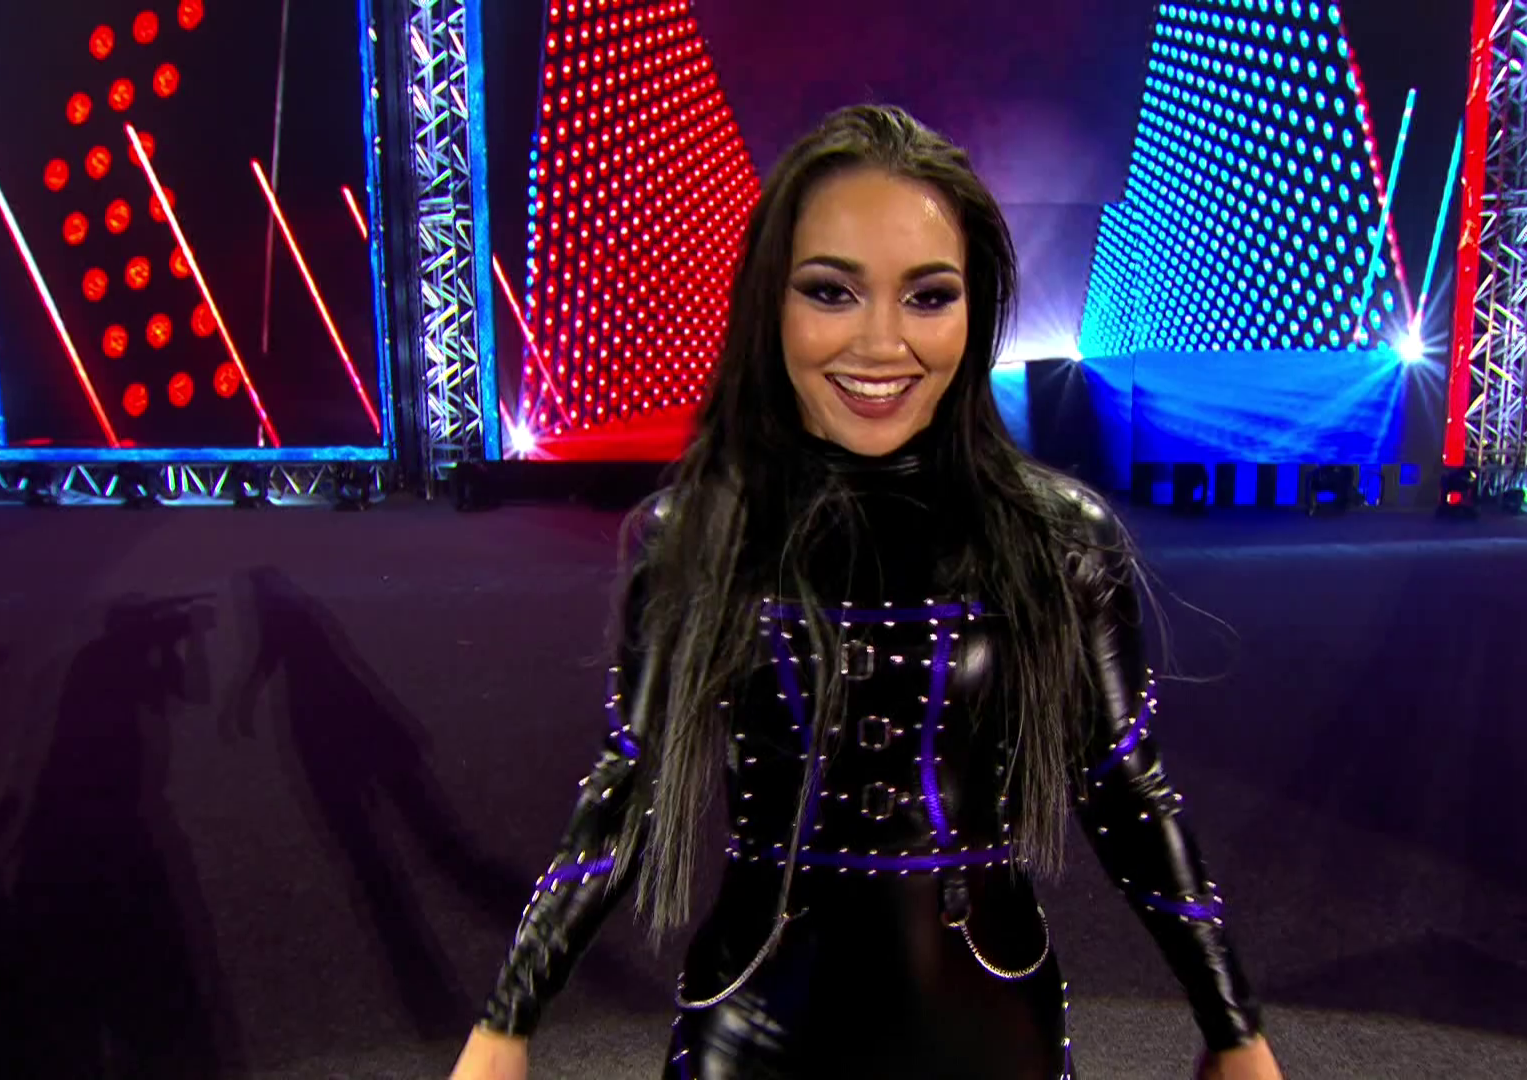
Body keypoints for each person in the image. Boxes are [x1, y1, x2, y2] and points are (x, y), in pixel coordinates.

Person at [451, 105, 1280, 1080]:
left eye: (928, 296)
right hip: (753, 1018)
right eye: (831, 291)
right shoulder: (698, 539)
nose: (882, 343)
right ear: (770, 303)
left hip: (989, 1024)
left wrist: (1234, 1028)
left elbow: (1124, 786)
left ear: (975, 310)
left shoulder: (1058, 538)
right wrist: (506, 1022)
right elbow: (630, 783)